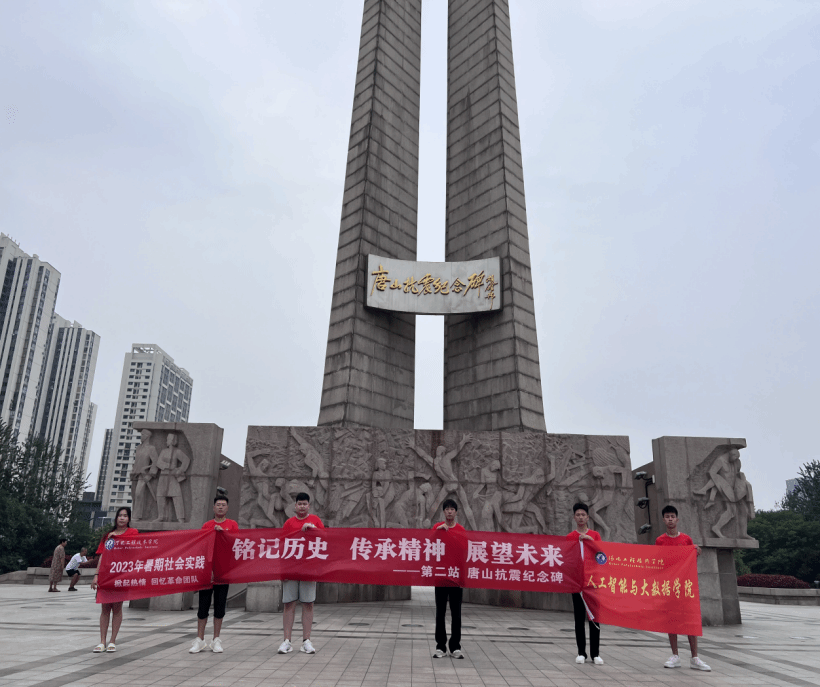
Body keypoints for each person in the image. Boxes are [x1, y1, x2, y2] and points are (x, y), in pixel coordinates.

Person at [657, 505, 711, 672]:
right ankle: (675, 655)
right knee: (671, 620)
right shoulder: (660, 541)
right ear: (663, 520)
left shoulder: (686, 539)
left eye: (672, 516)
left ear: (677, 519)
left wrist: (696, 551)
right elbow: (658, 561)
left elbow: (692, 558)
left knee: (690, 620)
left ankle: (695, 657)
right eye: (667, 516)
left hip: (686, 587)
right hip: (669, 587)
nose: (670, 519)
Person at [189, 496, 239, 654]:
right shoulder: (207, 525)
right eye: (218, 505)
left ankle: (216, 639)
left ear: (227, 508)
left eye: (223, 505)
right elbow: (201, 546)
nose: (221, 507)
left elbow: (236, 543)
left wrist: (223, 533)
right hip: (207, 572)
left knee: (220, 606)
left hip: (223, 571)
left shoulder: (232, 525)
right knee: (203, 606)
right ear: (213, 507)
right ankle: (200, 639)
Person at [278, 492, 324, 655]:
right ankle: (287, 641)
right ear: (295, 506)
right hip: (291, 568)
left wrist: (313, 530)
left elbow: (325, 540)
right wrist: (283, 570)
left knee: (308, 604)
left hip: (309, 568)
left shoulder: (315, 521)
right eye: (300, 504)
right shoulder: (289, 523)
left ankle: (306, 641)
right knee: (289, 604)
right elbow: (282, 545)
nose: (302, 506)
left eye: (305, 504)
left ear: (309, 506)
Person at [90, 507, 139, 653]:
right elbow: (102, 556)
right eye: (120, 515)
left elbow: (135, 550)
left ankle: (112, 641)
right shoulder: (108, 535)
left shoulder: (133, 532)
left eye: (125, 516)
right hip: (106, 575)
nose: (122, 518)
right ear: (116, 518)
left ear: (129, 519)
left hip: (121, 575)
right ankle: (102, 641)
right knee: (105, 609)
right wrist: (96, 575)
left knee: (117, 608)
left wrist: (119, 540)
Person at [566, 502, 603, 665]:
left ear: (588, 517)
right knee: (579, 618)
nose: (580, 517)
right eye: (578, 515)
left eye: (583, 515)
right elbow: (567, 559)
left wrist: (590, 541)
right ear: (574, 518)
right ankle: (581, 652)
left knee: (594, 618)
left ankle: (595, 654)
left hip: (593, 583)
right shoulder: (570, 537)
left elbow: (602, 556)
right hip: (577, 584)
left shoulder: (595, 535)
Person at [432, 499, 465, 659]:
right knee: (440, 613)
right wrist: (438, 532)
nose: (450, 511)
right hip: (440, 578)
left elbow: (464, 551)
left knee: (456, 614)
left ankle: (455, 647)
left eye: (452, 509)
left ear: (456, 512)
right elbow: (429, 545)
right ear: (444, 512)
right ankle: (440, 647)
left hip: (456, 578)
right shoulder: (437, 527)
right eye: (447, 509)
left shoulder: (461, 530)